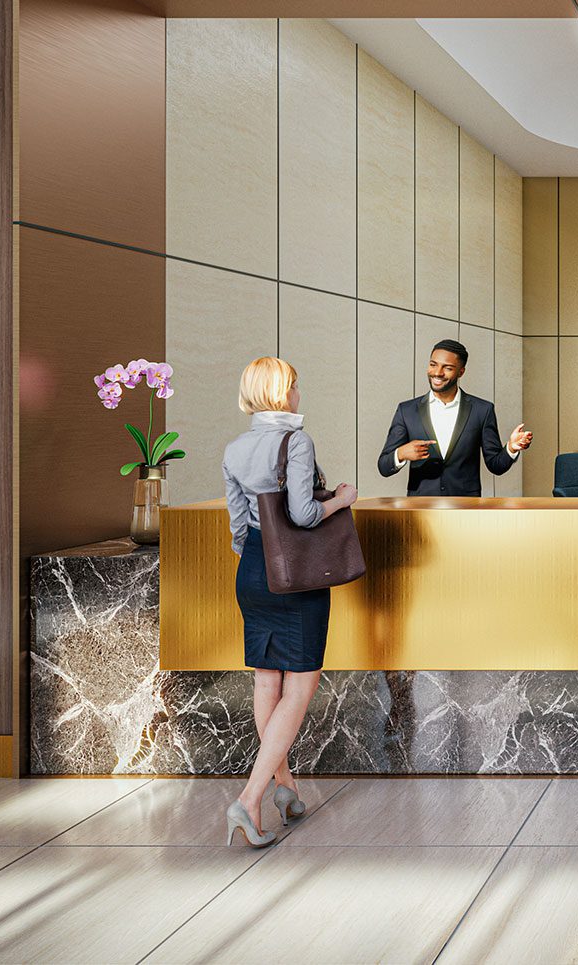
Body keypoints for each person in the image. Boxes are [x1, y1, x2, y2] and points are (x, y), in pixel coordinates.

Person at [221, 356, 356, 848]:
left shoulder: (235, 448)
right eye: (295, 386)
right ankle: (250, 799)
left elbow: (238, 528)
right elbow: (302, 514)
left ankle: (286, 790)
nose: (299, 393)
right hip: (295, 577)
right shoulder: (295, 441)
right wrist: (342, 499)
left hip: (253, 570)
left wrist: (257, 556)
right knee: (298, 688)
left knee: (266, 681)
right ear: (283, 393)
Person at [377, 339, 531, 496]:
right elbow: (383, 466)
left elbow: (496, 466)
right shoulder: (407, 411)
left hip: (465, 509)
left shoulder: (482, 410)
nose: (437, 372)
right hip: (420, 509)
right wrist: (401, 453)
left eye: (447, 368)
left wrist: (511, 448)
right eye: (433, 364)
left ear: (461, 372)